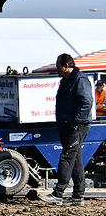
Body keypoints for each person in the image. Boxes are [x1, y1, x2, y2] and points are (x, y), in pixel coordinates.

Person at [39, 53, 93, 206]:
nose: (57, 69)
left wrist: (75, 124)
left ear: (66, 66)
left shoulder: (80, 80)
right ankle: (78, 196)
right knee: (76, 161)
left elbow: (86, 103)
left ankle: (58, 193)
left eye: (58, 67)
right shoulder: (67, 80)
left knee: (66, 158)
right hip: (68, 126)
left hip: (76, 127)